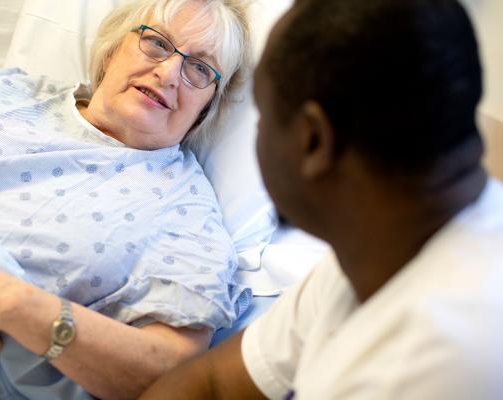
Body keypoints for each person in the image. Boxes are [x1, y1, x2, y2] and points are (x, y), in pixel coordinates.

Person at [140, 0, 503, 398]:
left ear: (312, 141)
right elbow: (213, 384)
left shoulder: (438, 361)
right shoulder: (375, 254)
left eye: (263, 114)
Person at [0, 0, 253, 398]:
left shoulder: (187, 215)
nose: (169, 72)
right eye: (156, 43)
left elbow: (175, 372)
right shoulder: (7, 94)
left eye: (199, 69)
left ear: (209, 105)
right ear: (111, 49)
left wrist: (9, 303)